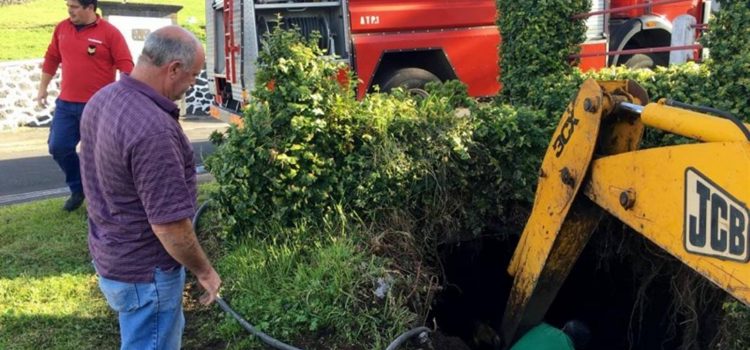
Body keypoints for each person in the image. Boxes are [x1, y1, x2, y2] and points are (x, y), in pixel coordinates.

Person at [79, 26, 221, 350]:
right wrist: (205, 271)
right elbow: (170, 227)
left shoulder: (102, 100)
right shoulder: (153, 130)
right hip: (147, 273)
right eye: (193, 76)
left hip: (112, 256)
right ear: (173, 69)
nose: (192, 85)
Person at [36, 0, 133, 211]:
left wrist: (127, 97)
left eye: (74, 6)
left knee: (100, 156)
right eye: (68, 5)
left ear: (90, 7)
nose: (69, 10)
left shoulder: (109, 33)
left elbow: (126, 65)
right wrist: (42, 88)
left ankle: (105, 201)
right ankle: (78, 188)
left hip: (99, 107)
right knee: (58, 147)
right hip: (66, 104)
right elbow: (52, 58)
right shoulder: (62, 28)